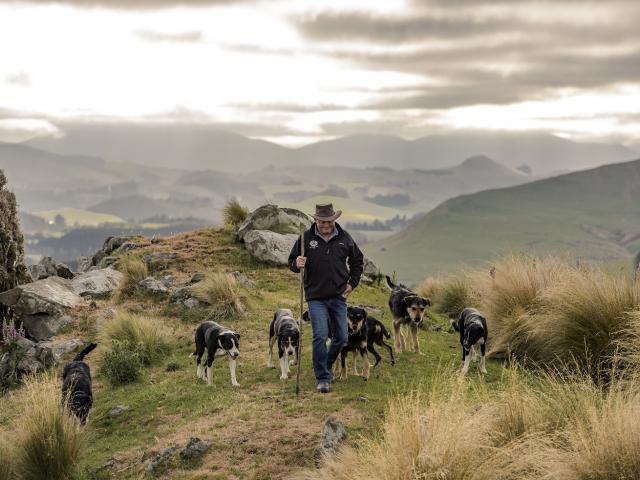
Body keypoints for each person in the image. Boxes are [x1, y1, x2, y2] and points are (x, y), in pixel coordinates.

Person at [288, 203, 364, 393]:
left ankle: (325, 365)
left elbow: (357, 261)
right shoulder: (305, 238)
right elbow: (291, 261)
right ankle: (322, 378)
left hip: (339, 297)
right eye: (322, 221)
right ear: (316, 220)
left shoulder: (344, 237)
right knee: (320, 336)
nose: (325, 225)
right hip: (316, 297)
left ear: (334, 220)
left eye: (329, 221)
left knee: (342, 337)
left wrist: (352, 283)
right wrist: (297, 263)